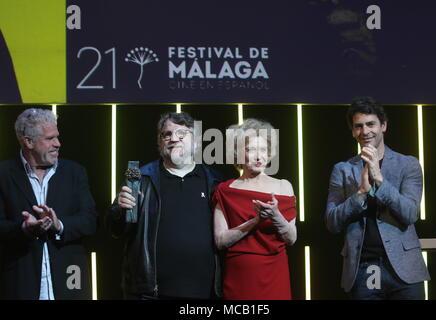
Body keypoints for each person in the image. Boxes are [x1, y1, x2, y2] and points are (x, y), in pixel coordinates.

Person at [107, 112, 223, 299]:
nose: (173, 139)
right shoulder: (140, 178)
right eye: (166, 134)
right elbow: (116, 230)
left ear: (196, 142)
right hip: (152, 292)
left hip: (205, 291)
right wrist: (119, 211)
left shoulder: (215, 181)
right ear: (160, 143)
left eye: (181, 134)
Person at [325, 97, 430, 300]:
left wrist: (380, 180)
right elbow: (331, 221)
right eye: (359, 126)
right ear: (353, 131)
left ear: (383, 125)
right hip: (364, 267)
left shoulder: (408, 164)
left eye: (370, 124)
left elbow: (410, 213)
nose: (365, 131)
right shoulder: (343, 169)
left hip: (404, 267)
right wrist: (360, 194)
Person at [0, 108, 97, 300]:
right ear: (28, 141)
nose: (58, 144)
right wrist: (24, 230)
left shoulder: (74, 172)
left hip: (70, 281)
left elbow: (91, 220)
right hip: (20, 283)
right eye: (50, 139)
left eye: (58, 137)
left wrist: (59, 225)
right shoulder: (3, 175)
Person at [212, 118, 297, 300]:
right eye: (250, 150)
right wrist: (256, 221)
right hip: (240, 276)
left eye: (263, 150)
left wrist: (275, 216)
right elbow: (220, 240)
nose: (259, 157)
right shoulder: (226, 190)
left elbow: (291, 238)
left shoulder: (283, 187)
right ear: (237, 154)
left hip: (275, 271)